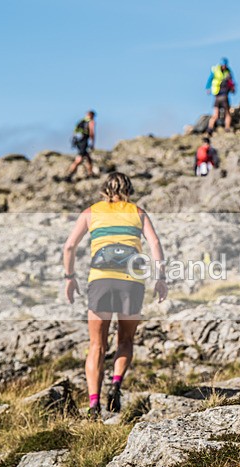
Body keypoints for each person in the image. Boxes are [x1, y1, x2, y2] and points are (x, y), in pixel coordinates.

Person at [62, 172, 168, 419]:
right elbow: (154, 243)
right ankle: (116, 384)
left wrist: (69, 278)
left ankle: (93, 405)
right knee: (126, 340)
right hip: (132, 281)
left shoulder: (91, 212)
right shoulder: (138, 212)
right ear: (129, 190)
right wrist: (160, 278)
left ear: (103, 191)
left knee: (97, 345)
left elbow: (69, 246)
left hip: (100, 280)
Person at [206, 58, 235, 134]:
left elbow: (232, 82)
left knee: (226, 113)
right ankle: (210, 128)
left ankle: (226, 128)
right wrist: (208, 88)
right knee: (217, 113)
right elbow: (210, 79)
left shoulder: (227, 72)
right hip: (219, 95)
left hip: (222, 96)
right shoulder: (217, 71)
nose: (224, 66)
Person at [67, 110, 96, 179]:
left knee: (88, 158)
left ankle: (90, 173)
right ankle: (69, 175)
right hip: (83, 142)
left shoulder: (82, 121)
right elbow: (92, 133)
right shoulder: (91, 122)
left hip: (78, 141)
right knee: (79, 159)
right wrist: (92, 143)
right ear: (92, 115)